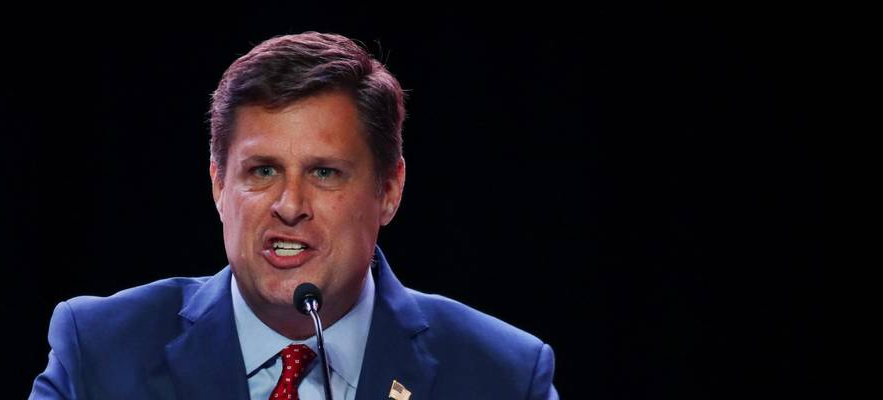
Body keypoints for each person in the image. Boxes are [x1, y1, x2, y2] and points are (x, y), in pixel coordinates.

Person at [29, 31, 558, 400]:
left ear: (389, 190)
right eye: (262, 171)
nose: (289, 205)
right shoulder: (100, 351)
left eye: (325, 173)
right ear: (218, 185)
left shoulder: (500, 375)